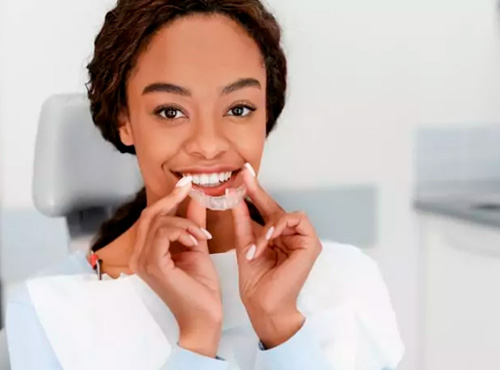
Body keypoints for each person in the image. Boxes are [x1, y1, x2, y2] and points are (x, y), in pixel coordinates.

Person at [6, 0, 405, 369]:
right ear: (125, 120)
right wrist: (196, 338)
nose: (210, 145)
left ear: (266, 114)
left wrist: (280, 325)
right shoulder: (49, 310)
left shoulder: (348, 279)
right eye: (171, 111)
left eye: (239, 108)